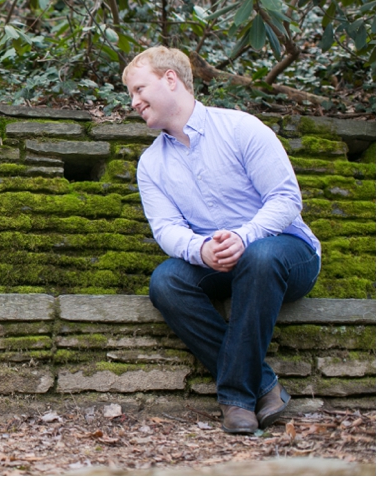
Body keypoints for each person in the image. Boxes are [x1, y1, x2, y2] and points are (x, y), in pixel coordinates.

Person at [123, 46, 321, 435]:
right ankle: (265, 386)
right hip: (220, 261)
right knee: (166, 281)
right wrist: (201, 250)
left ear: (170, 79)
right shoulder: (151, 164)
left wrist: (245, 236)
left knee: (260, 257)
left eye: (139, 89)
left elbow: (285, 198)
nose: (134, 102)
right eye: (130, 94)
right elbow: (166, 228)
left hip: (285, 253)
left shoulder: (240, 128)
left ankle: (235, 399)